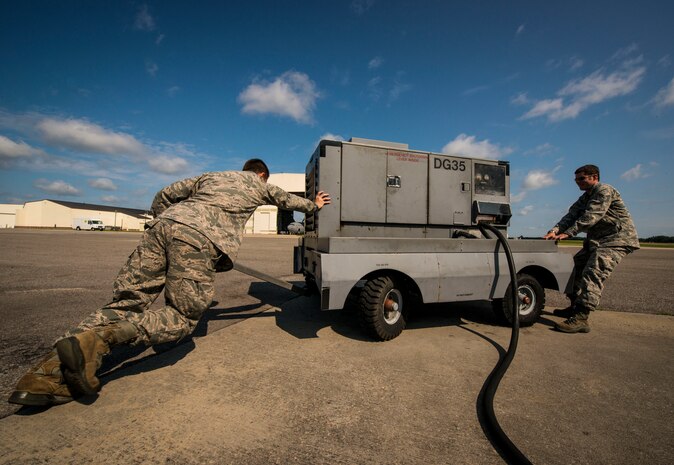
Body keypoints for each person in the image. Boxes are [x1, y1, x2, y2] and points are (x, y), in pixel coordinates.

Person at [9, 159, 331, 406]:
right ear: (261, 175)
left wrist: (163, 222)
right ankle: (103, 339)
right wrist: (313, 205)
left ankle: (43, 377)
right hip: (198, 239)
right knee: (182, 318)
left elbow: (166, 193)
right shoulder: (259, 185)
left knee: (125, 304)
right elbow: (287, 201)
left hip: (163, 226)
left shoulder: (212, 176)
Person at [543, 164, 639, 333]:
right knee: (572, 270)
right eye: (576, 179)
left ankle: (581, 318)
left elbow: (592, 215)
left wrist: (569, 233)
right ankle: (574, 307)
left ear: (594, 177)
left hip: (616, 240)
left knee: (593, 273)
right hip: (597, 241)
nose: (577, 182)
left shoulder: (604, 191)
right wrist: (554, 231)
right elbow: (571, 215)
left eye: (581, 178)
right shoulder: (586, 197)